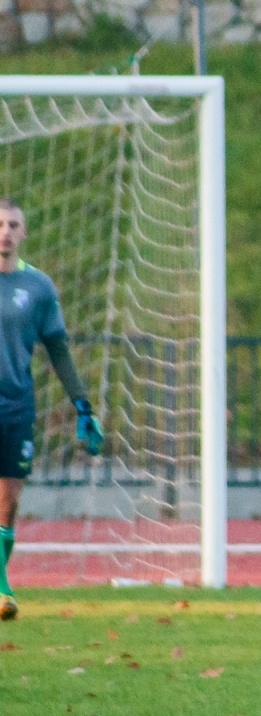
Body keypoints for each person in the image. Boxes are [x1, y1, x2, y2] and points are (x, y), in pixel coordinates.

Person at [0, 198, 103, 620]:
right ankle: (1, 586)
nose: (5, 231)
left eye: (13, 225)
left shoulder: (39, 288)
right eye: (0, 224)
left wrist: (84, 406)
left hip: (17, 406)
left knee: (8, 502)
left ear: (24, 233)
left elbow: (58, 350)